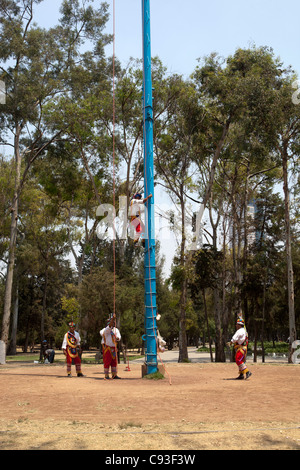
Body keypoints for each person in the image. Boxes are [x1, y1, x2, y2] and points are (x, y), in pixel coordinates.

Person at [100, 314, 121, 380]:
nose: (112, 324)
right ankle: (106, 375)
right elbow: (108, 328)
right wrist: (113, 319)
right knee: (107, 361)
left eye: (113, 322)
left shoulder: (116, 330)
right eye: (111, 322)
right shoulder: (105, 330)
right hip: (107, 348)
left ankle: (114, 375)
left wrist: (117, 338)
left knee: (114, 362)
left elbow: (119, 337)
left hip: (113, 347)